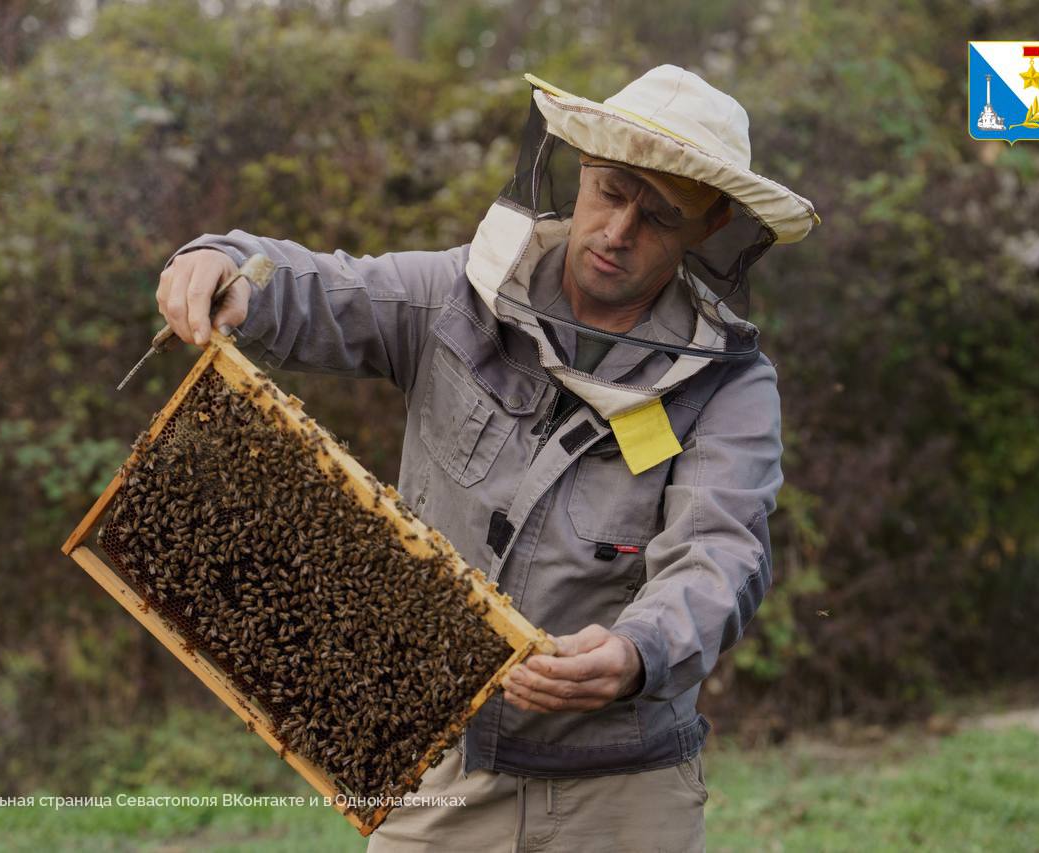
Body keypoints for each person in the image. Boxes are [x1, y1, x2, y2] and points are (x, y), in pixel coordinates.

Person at [155, 65, 819, 852]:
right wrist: (225, 265)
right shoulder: (456, 299)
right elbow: (323, 287)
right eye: (610, 191)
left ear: (710, 229)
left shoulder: (729, 385)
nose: (616, 232)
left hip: (625, 791)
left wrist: (638, 650)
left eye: (660, 216)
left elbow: (720, 552)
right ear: (579, 170)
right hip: (438, 768)